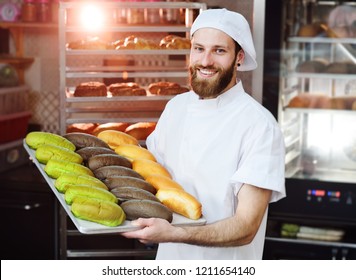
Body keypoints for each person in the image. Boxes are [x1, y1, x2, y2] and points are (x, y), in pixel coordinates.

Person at [121, 8, 286, 260]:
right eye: (199, 48)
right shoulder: (176, 107)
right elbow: (149, 175)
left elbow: (246, 227)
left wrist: (173, 233)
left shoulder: (259, 125)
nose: (206, 61)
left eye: (219, 51)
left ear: (239, 57)